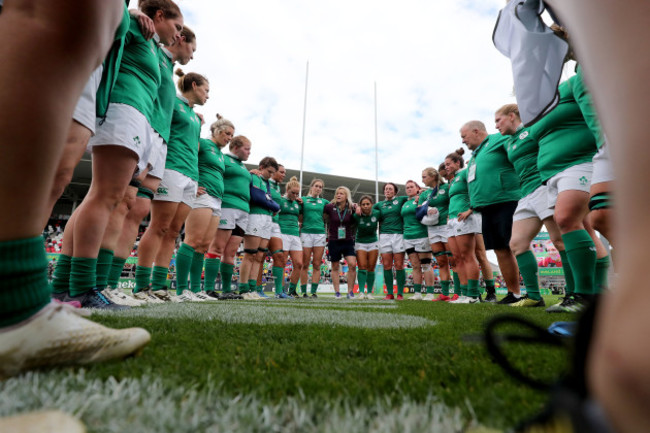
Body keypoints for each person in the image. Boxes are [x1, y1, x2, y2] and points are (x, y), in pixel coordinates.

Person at [0, 0, 150, 380]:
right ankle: (23, 303)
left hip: (93, 69)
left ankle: (18, 307)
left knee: (60, 175)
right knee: (54, 16)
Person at [540, 2, 648, 430]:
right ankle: (608, 294)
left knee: (590, 216)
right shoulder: (576, 76)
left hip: (613, 135)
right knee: (602, 219)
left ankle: (618, 319)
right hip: (606, 141)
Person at [53, 0, 184, 309]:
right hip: (124, 110)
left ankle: (64, 288)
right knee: (105, 197)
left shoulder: (151, 44)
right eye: (177, 27)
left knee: (102, 197)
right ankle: (82, 288)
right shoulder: (137, 26)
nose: (178, 35)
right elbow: (107, 20)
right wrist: (131, 13)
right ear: (159, 16)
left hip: (133, 115)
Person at [101, 25, 198, 306]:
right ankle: (99, 283)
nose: (192, 54)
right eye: (192, 48)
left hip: (158, 142)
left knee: (137, 208)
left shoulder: (165, 66)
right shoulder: (150, 47)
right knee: (118, 203)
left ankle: (129, 286)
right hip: (141, 129)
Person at [130, 69, 208, 303]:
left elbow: (193, 146)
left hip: (190, 175)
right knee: (159, 227)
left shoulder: (196, 117)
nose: (208, 95)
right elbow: (159, 131)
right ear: (194, 85)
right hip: (171, 168)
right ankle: (142, 286)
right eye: (206, 90)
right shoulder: (172, 101)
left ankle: (159, 286)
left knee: (174, 232)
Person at [495, 103, 565, 307]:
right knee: (516, 243)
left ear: (511, 116)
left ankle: (577, 293)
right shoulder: (507, 143)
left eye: (498, 120)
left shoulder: (532, 129)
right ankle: (534, 297)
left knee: (559, 240)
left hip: (543, 186)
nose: (496, 126)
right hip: (525, 195)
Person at [460, 120, 522, 304]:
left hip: (506, 200)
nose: (463, 141)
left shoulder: (499, 139)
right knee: (500, 249)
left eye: (464, 136)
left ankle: (526, 293)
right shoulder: (474, 156)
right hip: (486, 207)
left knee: (513, 246)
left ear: (476, 131)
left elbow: (519, 153)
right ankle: (513, 293)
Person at [206, 135, 252, 299]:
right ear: (236, 147)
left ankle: (227, 289)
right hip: (227, 206)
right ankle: (208, 288)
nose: (249, 153)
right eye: (247, 149)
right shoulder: (223, 159)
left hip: (243, 210)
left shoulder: (244, 168)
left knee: (231, 253)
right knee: (217, 248)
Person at [198, 116, 235, 297]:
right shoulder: (203, 144)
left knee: (204, 244)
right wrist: (193, 183)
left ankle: (198, 290)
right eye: (228, 134)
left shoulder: (221, 155)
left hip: (217, 200)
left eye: (231, 135)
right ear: (217, 131)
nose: (229, 138)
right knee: (194, 241)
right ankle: (185, 288)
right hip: (203, 196)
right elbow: (190, 158)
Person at [237, 157, 280, 300]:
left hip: (267, 219)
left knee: (259, 256)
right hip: (255, 216)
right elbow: (257, 197)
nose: (270, 175)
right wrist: (274, 205)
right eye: (269, 171)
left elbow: (267, 198)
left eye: (273, 173)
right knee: (250, 254)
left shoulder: (266, 182)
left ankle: (252, 288)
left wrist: (270, 203)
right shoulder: (255, 177)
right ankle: (243, 289)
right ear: (261, 167)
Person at [444, 149, 482, 303]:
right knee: (457, 259)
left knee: (468, 256)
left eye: (448, 164)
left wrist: (470, 209)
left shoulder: (466, 172)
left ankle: (473, 295)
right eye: (445, 164)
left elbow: (477, 189)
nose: (446, 167)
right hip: (452, 219)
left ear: (457, 163)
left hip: (464, 217)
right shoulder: (452, 180)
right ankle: (465, 294)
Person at [255, 165, 289, 298]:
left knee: (279, 256)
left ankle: (279, 292)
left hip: (275, 225)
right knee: (260, 256)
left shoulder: (277, 187)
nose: (283, 175)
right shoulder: (263, 181)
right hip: (263, 220)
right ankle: (257, 289)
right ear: (273, 172)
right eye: (281, 172)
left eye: (284, 173)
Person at [419, 168, 451, 301]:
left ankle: (461, 292)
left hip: (446, 226)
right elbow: (419, 211)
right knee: (441, 261)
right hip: (432, 229)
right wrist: (428, 209)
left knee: (454, 260)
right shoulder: (424, 194)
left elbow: (454, 201)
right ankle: (445, 294)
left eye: (424, 177)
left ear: (433, 176)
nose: (422, 180)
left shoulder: (447, 187)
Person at [401, 180, 435, 300]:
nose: (409, 189)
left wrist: (422, 194)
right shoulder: (405, 203)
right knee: (415, 266)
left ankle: (430, 293)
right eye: (407, 187)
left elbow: (431, 193)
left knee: (426, 265)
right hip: (408, 237)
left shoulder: (422, 199)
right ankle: (417, 294)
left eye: (411, 187)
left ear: (417, 188)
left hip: (421, 235)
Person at [374, 183, 409, 300]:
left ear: (395, 191)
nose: (388, 190)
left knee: (399, 265)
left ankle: (400, 293)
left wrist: (421, 192)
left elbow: (413, 195)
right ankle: (389, 293)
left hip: (398, 235)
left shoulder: (401, 200)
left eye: (390, 189)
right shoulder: (379, 205)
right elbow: (367, 210)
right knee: (387, 265)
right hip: (384, 236)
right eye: (386, 189)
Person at [323, 187, 358, 299]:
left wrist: (357, 207)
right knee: (335, 266)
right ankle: (337, 292)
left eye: (341, 194)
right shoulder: (329, 207)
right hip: (333, 240)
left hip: (348, 240)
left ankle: (350, 292)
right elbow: (320, 210)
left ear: (346, 196)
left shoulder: (351, 208)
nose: (338, 195)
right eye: (337, 193)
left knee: (352, 264)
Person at [300, 179, 329, 297]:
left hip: (320, 234)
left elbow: (337, 204)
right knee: (305, 264)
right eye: (316, 186)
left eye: (320, 187)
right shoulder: (303, 200)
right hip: (306, 233)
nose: (318, 188)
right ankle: (303, 291)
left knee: (317, 264)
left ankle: (313, 292)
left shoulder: (324, 202)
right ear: (311, 187)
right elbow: (300, 216)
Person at [278, 177, 303, 298]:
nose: (295, 195)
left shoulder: (298, 203)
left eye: (297, 193)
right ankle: (281, 290)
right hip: (282, 233)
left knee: (299, 263)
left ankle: (292, 290)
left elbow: (302, 218)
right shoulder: (280, 200)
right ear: (287, 190)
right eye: (293, 192)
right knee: (282, 263)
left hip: (295, 235)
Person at [353, 195, 380, 300]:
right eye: (363, 204)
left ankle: (369, 292)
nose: (365, 206)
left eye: (367, 204)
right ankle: (361, 292)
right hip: (360, 242)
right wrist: (355, 207)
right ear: (360, 205)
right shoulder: (356, 215)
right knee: (362, 267)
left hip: (373, 242)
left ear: (371, 205)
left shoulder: (377, 213)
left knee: (371, 268)